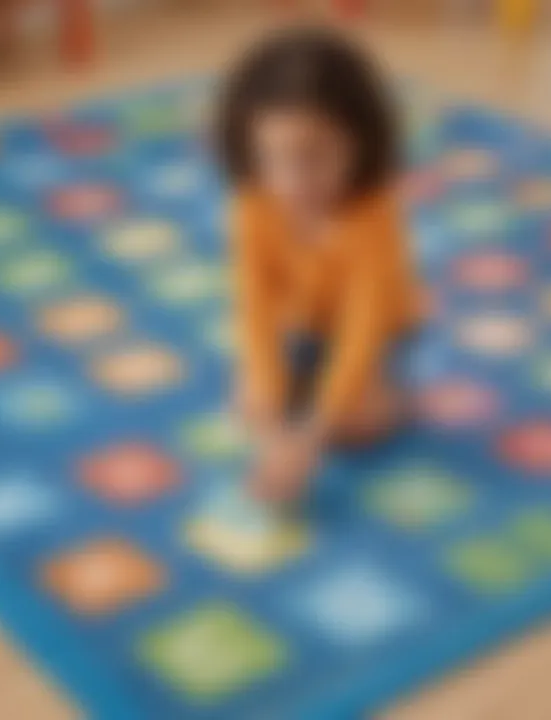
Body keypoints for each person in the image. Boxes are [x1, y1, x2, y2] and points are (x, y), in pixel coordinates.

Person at [216, 29, 423, 503]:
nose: (292, 181)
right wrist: (270, 422)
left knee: (357, 421)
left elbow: (364, 325)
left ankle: (400, 397)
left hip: (382, 333)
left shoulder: (373, 215)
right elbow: (254, 306)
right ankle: (298, 401)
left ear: (359, 142)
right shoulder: (252, 204)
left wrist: (312, 435)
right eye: (274, 158)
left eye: (313, 156)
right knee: (250, 402)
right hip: (303, 332)